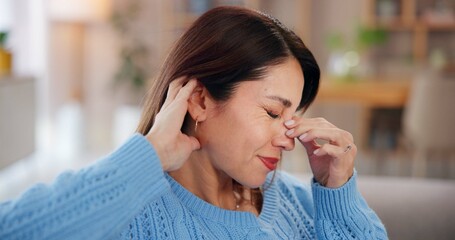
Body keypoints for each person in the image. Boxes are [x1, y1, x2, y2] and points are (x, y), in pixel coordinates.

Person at [0, 6, 387, 240]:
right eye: (272, 112)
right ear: (199, 100)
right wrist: (148, 155)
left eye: (293, 116)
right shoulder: (133, 217)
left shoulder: (297, 201)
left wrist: (339, 195)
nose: (288, 139)